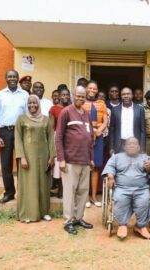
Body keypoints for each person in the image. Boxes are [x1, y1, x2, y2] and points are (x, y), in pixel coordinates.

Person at [55, 86, 95, 235]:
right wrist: (61, 159)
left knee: (83, 192)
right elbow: (58, 137)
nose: (80, 98)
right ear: (73, 96)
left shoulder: (86, 114)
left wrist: (91, 158)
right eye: (78, 96)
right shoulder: (66, 112)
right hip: (70, 160)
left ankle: (78, 218)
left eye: (83, 96)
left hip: (85, 160)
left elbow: (90, 137)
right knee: (70, 192)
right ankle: (68, 221)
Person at [102, 137, 150, 240]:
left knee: (144, 200)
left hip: (141, 189)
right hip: (122, 188)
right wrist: (110, 177)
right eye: (129, 144)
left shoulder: (145, 157)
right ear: (125, 147)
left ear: (138, 147)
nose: (132, 145)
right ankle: (122, 225)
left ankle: (140, 226)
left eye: (134, 144)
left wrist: (149, 167)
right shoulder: (116, 157)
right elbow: (110, 167)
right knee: (120, 199)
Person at [14, 95, 55, 223]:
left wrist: (52, 156)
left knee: (43, 184)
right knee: (28, 185)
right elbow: (18, 139)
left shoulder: (46, 120)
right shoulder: (21, 119)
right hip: (28, 157)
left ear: (38, 104)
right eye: (30, 103)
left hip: (43, 157)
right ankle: (27, 214)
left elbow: (51, 139)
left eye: (35, 103)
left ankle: (44, 212)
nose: (32, 105)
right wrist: (22, 158)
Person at [0, 70, 29, 204]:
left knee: (22, 163)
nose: (12, 79)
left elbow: (27, 116)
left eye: (14, 76)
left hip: (20, 132)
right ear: (6, 79)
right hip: (5, 132)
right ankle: (9, 193)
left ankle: (23, 192)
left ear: (18, 79)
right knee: (6, 164)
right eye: (9, 76)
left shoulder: (25, 94)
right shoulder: (0, 95)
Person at [82, 80, 108, 207]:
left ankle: (93, 197)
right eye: (90, 88)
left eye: (94, 89)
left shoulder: (101, 103)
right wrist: (90, 132)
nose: (92, 91)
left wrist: (99, 131)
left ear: (97, 91)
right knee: (86, 166)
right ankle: (85, 197)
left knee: (96, 166)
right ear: (86, 89)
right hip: (84, 137)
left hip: (98, 137)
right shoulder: (81, 102)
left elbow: (105, 121)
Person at [109, 87, 146, 154]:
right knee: (120, 164)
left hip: (135, 144)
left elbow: (142, 130)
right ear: (120, 96)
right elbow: (112, 130)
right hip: (119, 145)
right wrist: (111, 147)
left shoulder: (140, 109)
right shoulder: (115, 110)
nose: (126, 96)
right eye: (123, 94)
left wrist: (142, 148)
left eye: (128, 94)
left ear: (132, 95)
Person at [49, 88, 71, 198]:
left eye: (67, 94)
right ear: (59, 96)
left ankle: (63, 191)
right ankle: (58, 190)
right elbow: (51, 127)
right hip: (58, 136)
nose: (65, 97)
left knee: (67, 163)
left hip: (70, 138)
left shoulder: (72, 108)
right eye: (63, 95)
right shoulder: (54, 109)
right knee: (58, 164)